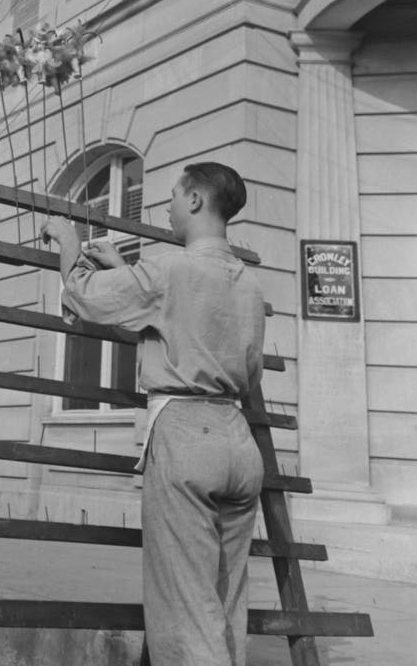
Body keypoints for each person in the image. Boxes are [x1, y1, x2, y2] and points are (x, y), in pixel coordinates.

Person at [41, 162, 265, 666]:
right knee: (225, 605)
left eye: (172, 195)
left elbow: (86, 297)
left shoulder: (169, 270)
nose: (165, 206)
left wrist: (69, 241)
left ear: (194, 201)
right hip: (238, 442)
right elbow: (244, 372)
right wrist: (122, 267)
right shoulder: (249, 285)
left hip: (185, 439)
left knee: (185, 614)